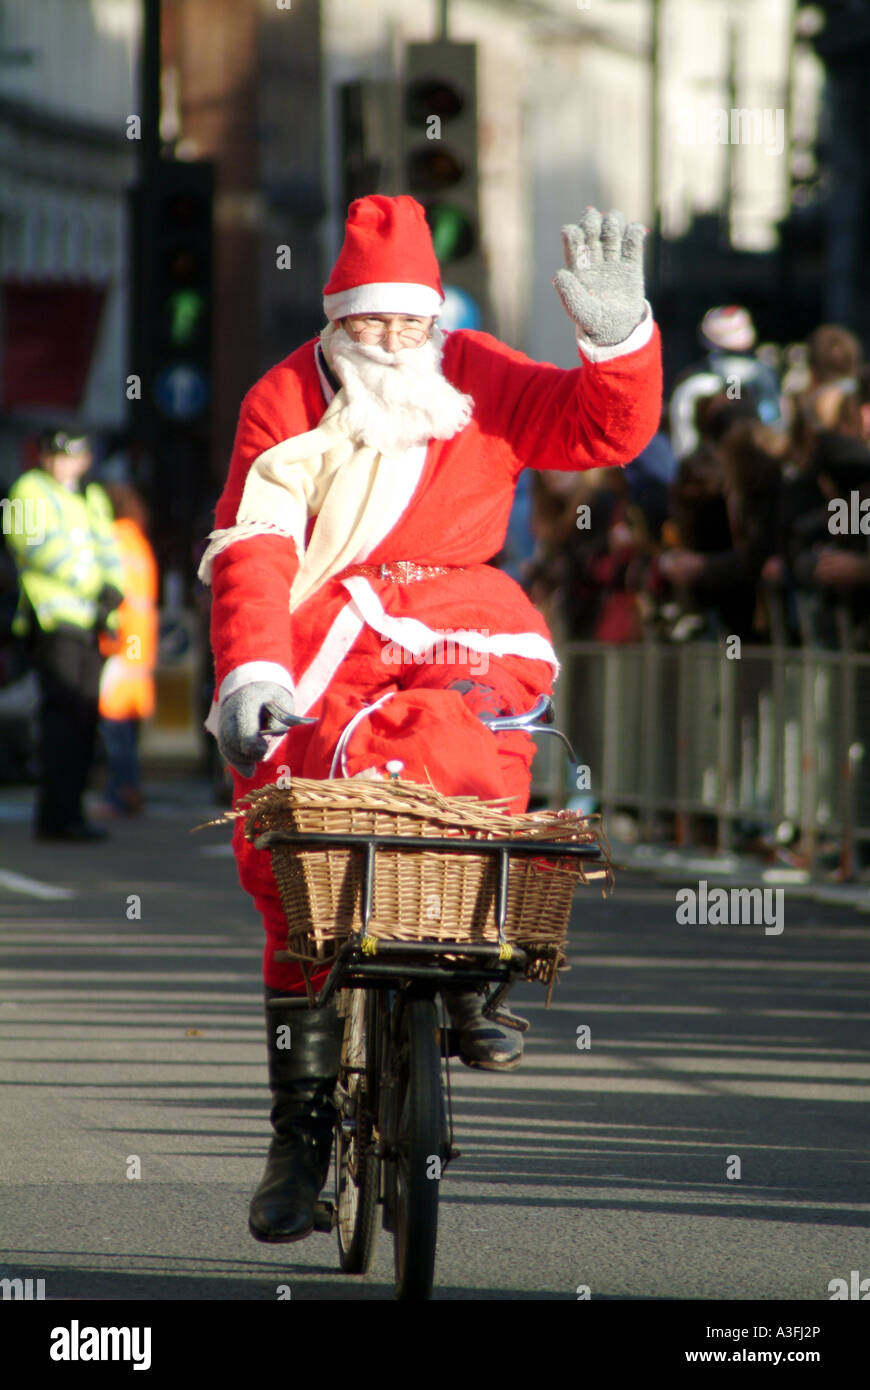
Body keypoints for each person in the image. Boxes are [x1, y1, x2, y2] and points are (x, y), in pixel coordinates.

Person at [198, 195, 662, 1243]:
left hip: (458, 611)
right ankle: (300, 1136)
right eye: (372, 324)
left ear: (435, 318)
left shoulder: (481, 372)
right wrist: (254, 672)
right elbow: (255, 544)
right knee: (300, 848)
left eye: (411, 323)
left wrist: (616, 340)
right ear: (336, 320)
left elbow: (607, 428)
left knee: (481, 755)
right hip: (328, 626)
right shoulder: (283, 394)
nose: (395, 342)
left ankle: (471, 973)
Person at [5, 430, 123, 841]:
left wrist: (114, 587)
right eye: (53, 455)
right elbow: (34, 545)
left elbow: (109, 547)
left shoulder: (91, 498)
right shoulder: (28, 490)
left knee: (84, 718)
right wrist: (94, 583)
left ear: (85, 460)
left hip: (90, 623)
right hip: (53, 620)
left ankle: (72, 812)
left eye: (69, 456)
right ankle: (55, 815)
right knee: (61, 717)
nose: (59, 463)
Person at [97, 483, 159, 814]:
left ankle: (121, 791)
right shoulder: (138, 541)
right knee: (126, 722)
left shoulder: (114, 539)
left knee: (115, 722)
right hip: (138, 639)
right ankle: (128, 787)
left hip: (123, 638)